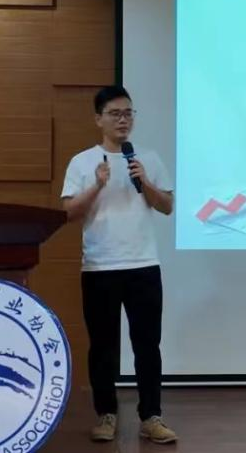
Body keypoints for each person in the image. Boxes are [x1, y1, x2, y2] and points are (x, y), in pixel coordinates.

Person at [60, 85, 177, 444]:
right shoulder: (82, 162)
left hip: (143, 265)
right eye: (115, 113)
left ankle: (151, 416)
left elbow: (166, 206)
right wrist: (97, 185)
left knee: (147, 345)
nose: (123, 120)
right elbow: (69, 213)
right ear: (99, 119)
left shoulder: (148, 158)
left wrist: (145, 182)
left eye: (128, 113)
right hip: (100, 267)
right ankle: (106, 414)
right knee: (103, 346)